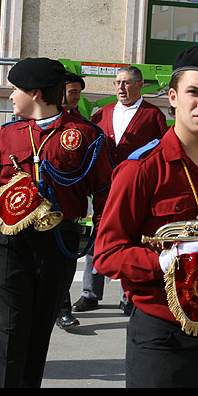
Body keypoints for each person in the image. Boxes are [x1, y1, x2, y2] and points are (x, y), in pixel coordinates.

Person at [93, 46, 198, 388]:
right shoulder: (141, 170)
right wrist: (163, 262)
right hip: (161, 333)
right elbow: (107, 253)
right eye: (194, 92)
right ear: (173, 97)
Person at [0, 57, 112, 388]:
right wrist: (6, 196)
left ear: (35, 93)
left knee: (39, 328)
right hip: (9, 241)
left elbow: (106, 191)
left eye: (15, 90)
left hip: (57, 242)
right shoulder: (8, 136)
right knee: (10, 326)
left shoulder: (84, 136)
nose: (11, 97)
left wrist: (106, 240)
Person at [72, 66, 168, 315]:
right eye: (117, 83)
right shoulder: (102, 113)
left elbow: (161, 151)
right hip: (105, 191)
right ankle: (90, 293)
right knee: (98, 238)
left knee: (133, 241)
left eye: (126, 83)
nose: (120, 88)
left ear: (139, 85)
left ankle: (130, 296)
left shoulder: (153, 116)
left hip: (137, 190)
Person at [55, 70, 88, 330]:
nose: (77, 97)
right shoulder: (45, 120)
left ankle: (61, 308)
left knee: (65, 264)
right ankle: (57, 308)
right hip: (44, 206)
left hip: (70, 206)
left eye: (78, 92)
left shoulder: (81, 124)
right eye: (73, 91)